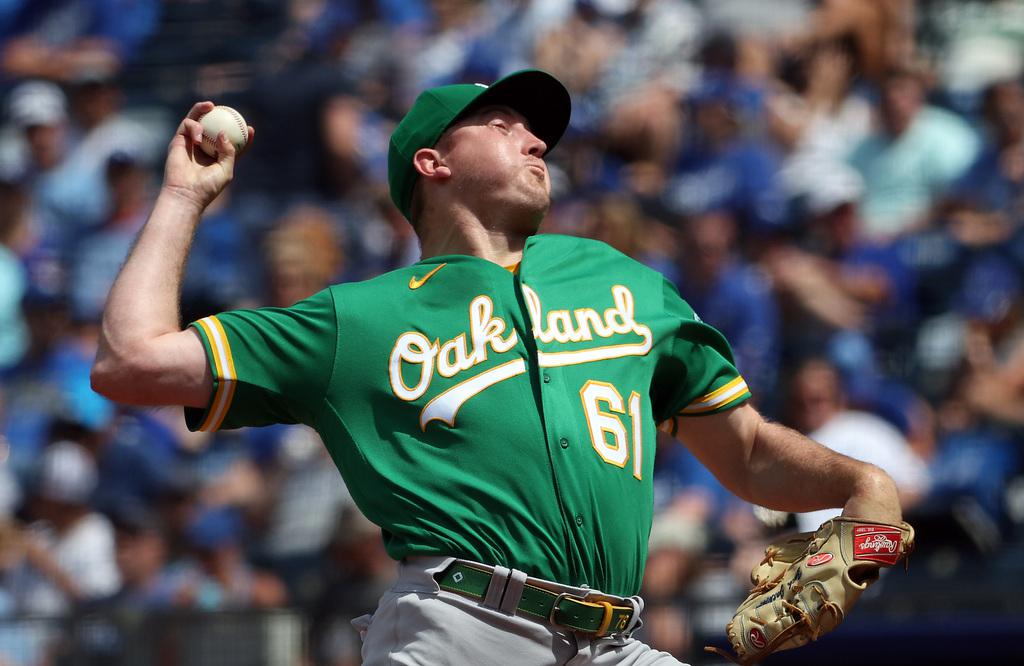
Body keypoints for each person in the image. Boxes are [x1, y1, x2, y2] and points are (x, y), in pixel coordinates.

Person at [91, 70, 905, 665]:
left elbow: (749, 452)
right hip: (463, 630)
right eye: (504, 122)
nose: (536, 138)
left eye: (535, 127)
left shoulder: (624, 284)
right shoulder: (359, 317)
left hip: (618, 641)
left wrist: (860, 483)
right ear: (432, 164)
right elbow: (131, 363)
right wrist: (181, 198)